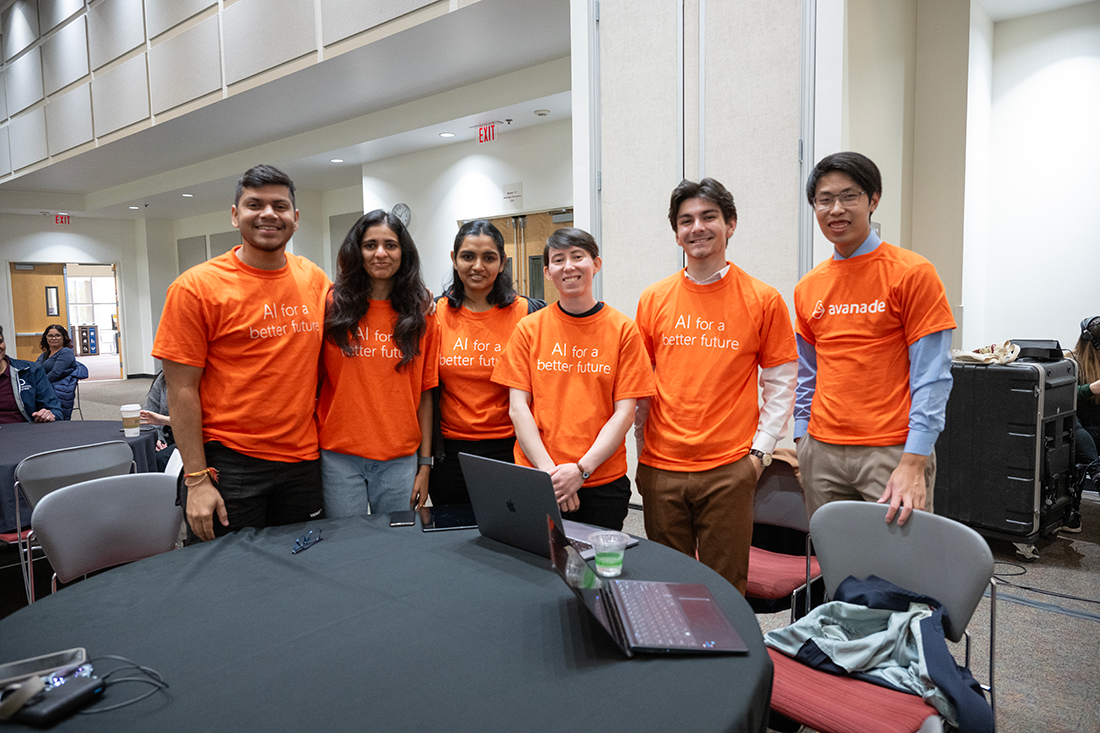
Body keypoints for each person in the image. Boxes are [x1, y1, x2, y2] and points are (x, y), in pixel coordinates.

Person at [633, 178, 798, 595]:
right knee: (667, 586)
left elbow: (781, 382)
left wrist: (759, 453)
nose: (697, 227)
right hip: (661, 468)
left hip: (729, 469)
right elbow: (640, 387)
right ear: (676, 232)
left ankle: (726, 662)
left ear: (731, 224)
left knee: (725, 589)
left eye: (709, 217)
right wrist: (641, 452)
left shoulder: (763, 299)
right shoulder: (653, 299)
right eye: (686, 220)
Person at [152, 164, 330, 543]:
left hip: (302, 461)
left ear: (295, 219)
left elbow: (359, 317)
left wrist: (417, 304)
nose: (268, 214)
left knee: (306, 567)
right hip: (231, 463)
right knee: (231, 578)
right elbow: (180, 389)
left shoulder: (313, 278)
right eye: (255, 204)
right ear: (235, 215)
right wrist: (196, 479)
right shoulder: (195, 289)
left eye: (280, 206)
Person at [794, 152, 955, 526]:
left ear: (873, 199)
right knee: (835, 565)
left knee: (900, 569)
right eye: (825, 199)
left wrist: (915, 459)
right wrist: (803, 441)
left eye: (849, 196)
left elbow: (933, 375)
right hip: (822, 450)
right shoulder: (808, 286)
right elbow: (807, 374)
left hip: (891, 450)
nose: (836, 209)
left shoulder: (912, 273)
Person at [492, 227, 655, 531]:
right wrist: (552, 476)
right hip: (538, 477)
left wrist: (580, 471)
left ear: (596, 264)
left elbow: (625, 413)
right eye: (558, 260)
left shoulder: (623, 330)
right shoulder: (529, 329)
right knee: (534, 571)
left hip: (602, 480)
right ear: (548, 272)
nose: (568, 266)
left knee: (595, 573)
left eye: (577, 256)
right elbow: (518, 408)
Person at [317, 209, 439, 517]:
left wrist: (425, 465)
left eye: (390, 245)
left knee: (396, 550)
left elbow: (425, 394)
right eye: (370, 245)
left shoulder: (422, 314)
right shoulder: (331, 306)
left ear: (403, 252)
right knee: (347, 548)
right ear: (357, 251)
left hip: (399, 458)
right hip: (339, 457)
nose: (380, 253)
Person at [429, 220, 545, 506]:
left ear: (502, 263)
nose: (477, 266)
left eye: (489, 258)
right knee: (452, 541)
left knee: (508, 537)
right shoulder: (434, 313)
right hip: (451, 453)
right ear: (454, 260)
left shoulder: (528, 313)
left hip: (511, 448)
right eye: (468, 256)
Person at [1067, 316, 1100, 532]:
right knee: (1072, 421)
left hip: (1096, 428)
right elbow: (1063, 396)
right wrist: (1090, 389)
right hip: (1079, 430)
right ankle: (1096, 472)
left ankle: (1096, 472)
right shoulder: (1071, 362)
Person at [0, 325, 62, 423]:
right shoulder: (43, 356)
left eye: (0, 341)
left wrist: (48, 414)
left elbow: (55, 410)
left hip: (23, 432)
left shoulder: (31, 370)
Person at [35, 324, 80, 420]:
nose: (54, 338)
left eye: (57, 335)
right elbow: (35, 370)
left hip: (58, 387)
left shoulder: (66, 352)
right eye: (50, 336)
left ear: (63, 337)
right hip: (46, 385)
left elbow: (55, 373)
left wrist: (38, 385)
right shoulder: (44, 355)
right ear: (46, 338)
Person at [141, 371, 175, 472]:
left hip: (197, 436)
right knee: (145, 451)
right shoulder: (163, 377)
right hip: (168, 432)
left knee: (163, 458)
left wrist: (164, 420)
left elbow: (199, 422)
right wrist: (157, 438)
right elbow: (149, 415)